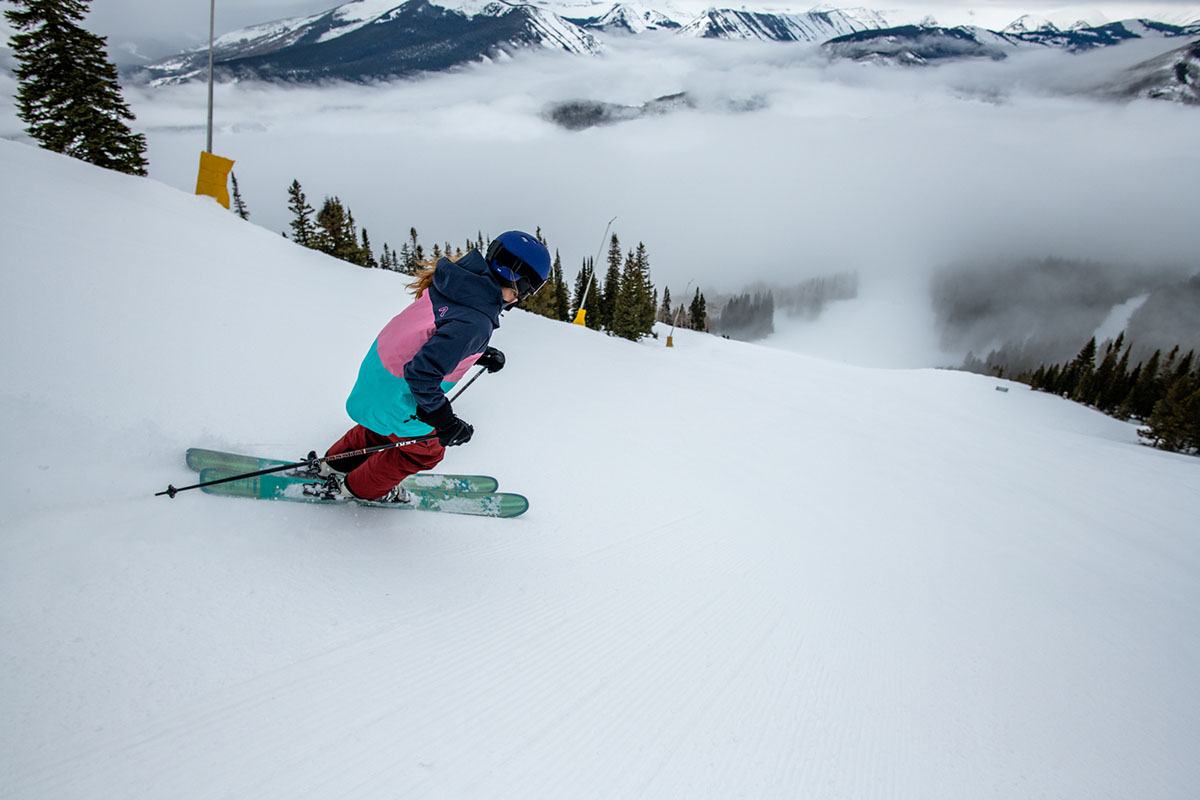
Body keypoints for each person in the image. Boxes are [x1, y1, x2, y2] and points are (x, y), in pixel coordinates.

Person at [321, 230, 551, 502]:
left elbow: (435, 335)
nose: (521, 298)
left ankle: (331, 465)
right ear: (519, 282)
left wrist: (478, 352)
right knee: (425, 448)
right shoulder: (475, 321)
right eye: (529, 290)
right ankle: (357, 489)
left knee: (384, 428)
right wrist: (445, 421)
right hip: (395, 396)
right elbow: (422, 374)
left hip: (376, 382)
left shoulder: (455, 282)